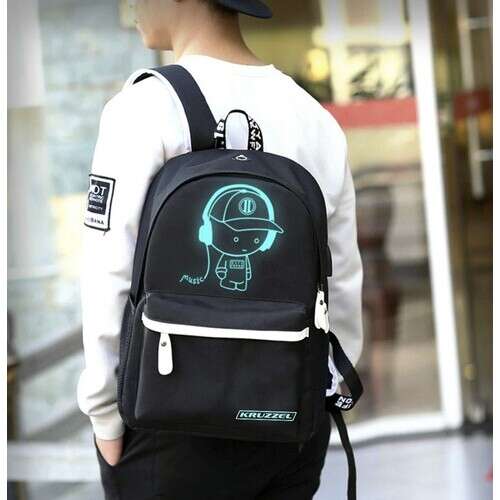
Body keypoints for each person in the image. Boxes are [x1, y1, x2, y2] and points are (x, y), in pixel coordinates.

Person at [77, 0, 364, 498]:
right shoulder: (312, 117)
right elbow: (340, 279)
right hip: (287, 412)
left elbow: (110, 272)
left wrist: (104, 411)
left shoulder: (144, 108)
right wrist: (323, 394)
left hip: (168, 419)